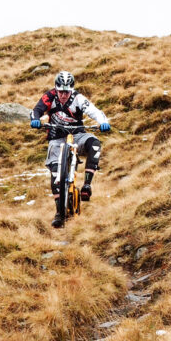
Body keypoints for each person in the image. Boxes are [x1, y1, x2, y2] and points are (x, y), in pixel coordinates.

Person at [29, 71, 110, 228]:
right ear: (56, 88)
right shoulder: (49, 97)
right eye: (61, 91)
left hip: (78, 135)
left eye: (67, 92)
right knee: (55, 172)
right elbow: (36, 110)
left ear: (71, 90)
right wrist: (35, 120)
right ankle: (59, 213)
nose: (63, 95)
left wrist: (103, 122)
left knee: (94, 143)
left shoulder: (78, 98)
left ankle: (87, 185)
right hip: (56, 138)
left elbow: (94, 111)